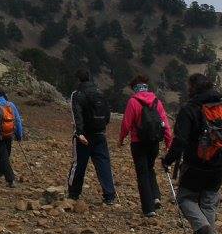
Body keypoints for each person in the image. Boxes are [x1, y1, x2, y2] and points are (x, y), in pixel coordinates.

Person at [162, 73, 222, 234]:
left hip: (195, 165)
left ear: (193, 88)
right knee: (209, 203)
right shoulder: (221, 107)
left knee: (185, 198)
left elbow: (180, 141)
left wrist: (168, 160)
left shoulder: (189, 109)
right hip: (218, 164)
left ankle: (203, 229)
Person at [118, 74, 173, 217]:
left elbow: (126, 124)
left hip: (138, 142)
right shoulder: (156, 101)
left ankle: (149, 208)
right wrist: (168, 142)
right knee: (150, 168)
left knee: (142, 173)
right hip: (154, 142)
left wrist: (121, 139)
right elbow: (165, 124)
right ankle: (156, 197)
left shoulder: (133, 102)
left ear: (134, 88)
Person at [67, 69, 117, 204]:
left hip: (84, 135)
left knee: (79, 164)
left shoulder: (77, 94)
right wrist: (103, 126)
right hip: (100, 133)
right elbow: (107, 113)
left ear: (78, 79)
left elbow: (76, 114)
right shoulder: (99, 92)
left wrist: (79, 132)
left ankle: (74, 193)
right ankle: (109, 195)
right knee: (103, 164)